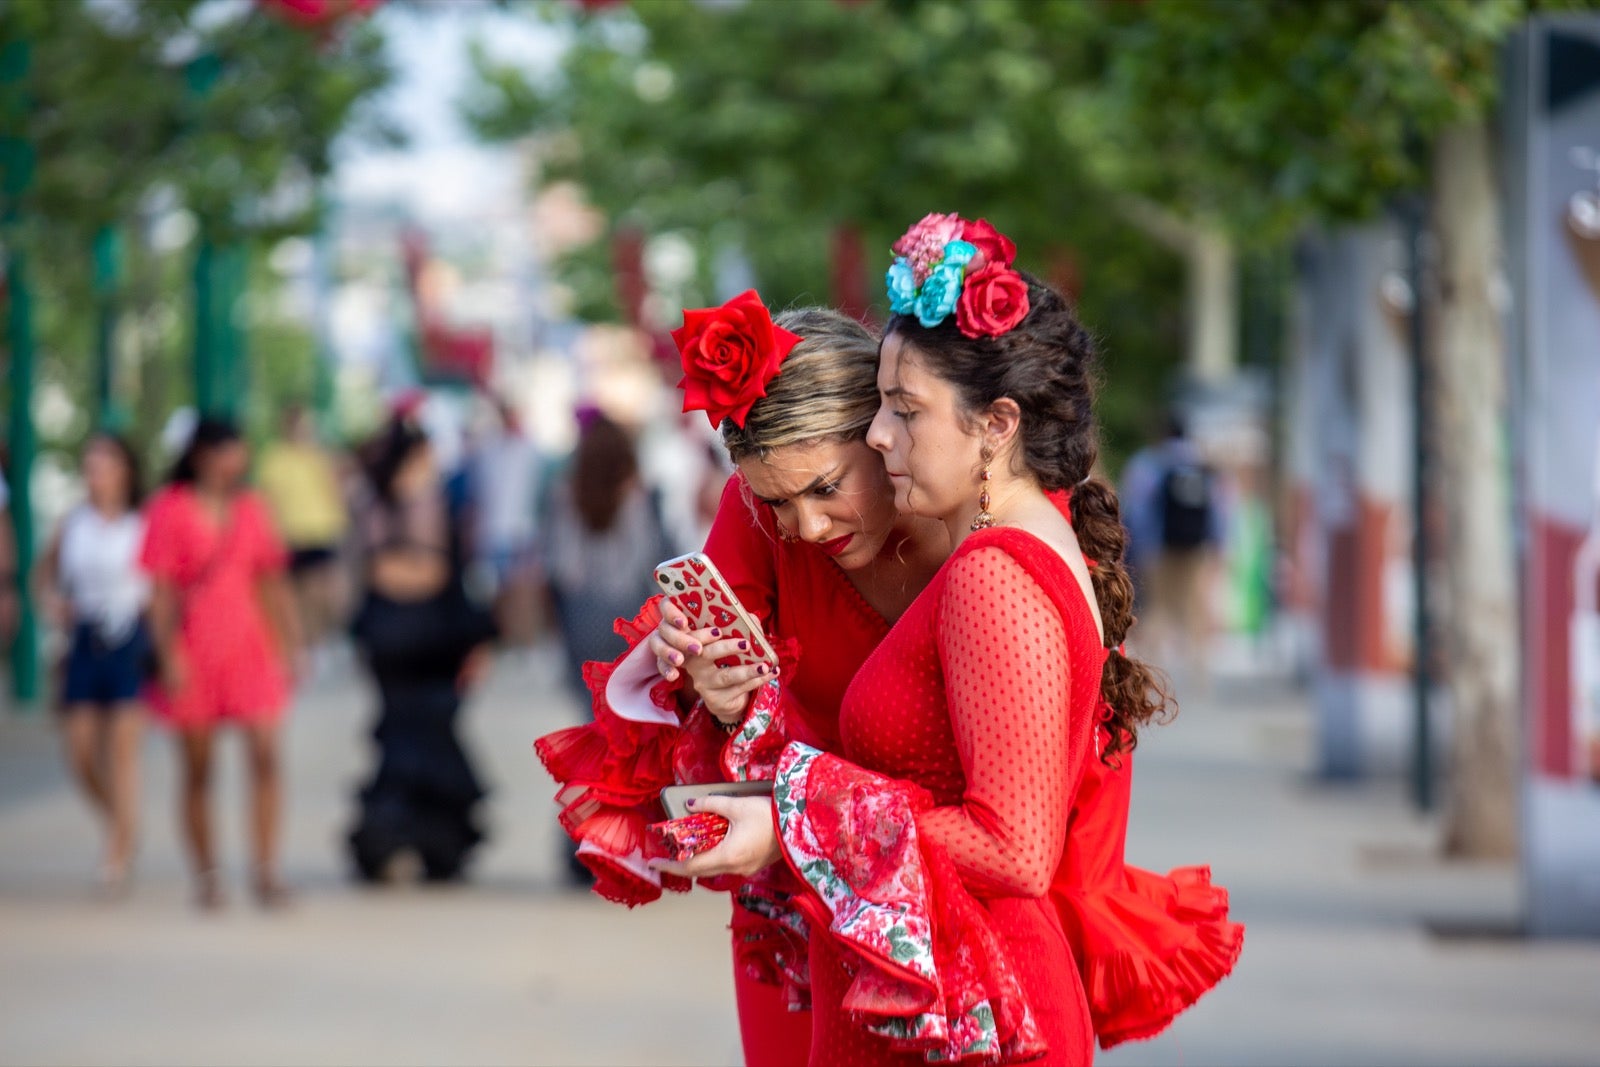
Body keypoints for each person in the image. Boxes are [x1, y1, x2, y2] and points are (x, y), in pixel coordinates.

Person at [538, 281, 1239, 1063]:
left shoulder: (997, 560)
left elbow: (1026, 831)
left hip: (964, 929)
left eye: (826, 487)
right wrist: (713, 690)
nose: (803, 527)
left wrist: (791, 828)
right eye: (773, 501)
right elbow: (714, 689)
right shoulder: (789, 522)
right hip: (826, 912)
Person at [141, 418, 300, 910]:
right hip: (194, 649)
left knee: (266, 760)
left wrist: (291, 644)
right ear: (203, 455)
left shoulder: (252, 509)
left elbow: (272, 581)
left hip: (250, 647)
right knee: (198, 769)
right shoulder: (169, 509)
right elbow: (161, 589)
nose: (236, 462)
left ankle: (266, 869)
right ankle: (207, 875)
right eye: (228, 451)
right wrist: (168, 654)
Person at [347, 411, 497, 884]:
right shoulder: (421, 503)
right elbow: (426, 573)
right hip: (423, 644)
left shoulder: (378, 503)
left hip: (408, 643)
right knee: (423, 742)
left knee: (411, 741)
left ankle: (417, 843)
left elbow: (398, 573)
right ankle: (415, 842)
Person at [36, 433, 150, 895]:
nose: (95, 473)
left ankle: (117, 848)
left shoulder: (142, 523)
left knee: (121, 752)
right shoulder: (74, 524)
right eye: (90, 464)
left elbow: (161, 583)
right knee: (80, 750)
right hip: (85, 639)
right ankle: (120, 822)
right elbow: (43, 573)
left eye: (104, 463)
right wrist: (51, 603)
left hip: (129, 638)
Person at [543, 409, 668, 694]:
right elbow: (647, 554)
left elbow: (561, 563)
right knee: (630, 700)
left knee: (591, 700)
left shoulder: (564, 492)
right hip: (631, 611)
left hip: (582, 613)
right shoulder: (639, 494)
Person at [1119, 412, 1224, 686]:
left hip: (1158, 548)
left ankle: (1152, 675)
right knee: (1195, 607)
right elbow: (1220, 509)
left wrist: (1137, 546)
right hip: (1196, 548)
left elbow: (1137, 508)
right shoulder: (1203, 464)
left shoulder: (1149, 463)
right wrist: (1217, 545)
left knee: (1158, 607)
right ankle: (1201, 673)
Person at [256, 403, 351, 662]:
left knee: (324, 589)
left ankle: (323, 637)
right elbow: (267, 497)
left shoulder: (319, 455)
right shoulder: (275, 458)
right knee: (300, 592)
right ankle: (309, 643)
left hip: (322, 529)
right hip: (290, 532)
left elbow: (336, 488)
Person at [465, 397, 543, 645]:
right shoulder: (491, 451)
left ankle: (525, 639)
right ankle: (507, 638)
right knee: (497, 592)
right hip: (495, 532)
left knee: (521, 590)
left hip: (520, 532)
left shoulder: (529, 451)